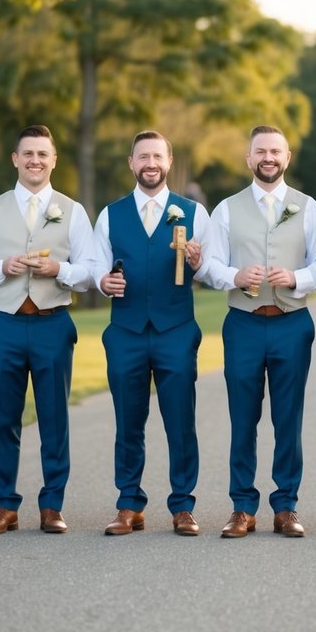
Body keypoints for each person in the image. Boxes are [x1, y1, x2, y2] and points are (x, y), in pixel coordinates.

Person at [0, 125, 97, 534]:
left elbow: (91, 273)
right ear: (15, 159)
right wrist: (1, 267)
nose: (35, 160)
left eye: (43, 154)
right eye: (28, 154)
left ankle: (52, 505)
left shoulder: (72, 211)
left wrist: (60, 270)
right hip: (3, 323)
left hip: (52, 323)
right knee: (3, 418)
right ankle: (5, 505)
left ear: (53, 160)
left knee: (54, 417)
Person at [203, 126, 316, 538]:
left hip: (292, 324)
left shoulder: (308, 207)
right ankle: (242, 506)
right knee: (243, 418)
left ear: (287, 157)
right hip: (242, 323)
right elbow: (208, 265)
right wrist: (235, 275)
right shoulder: (225, 209)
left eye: (275, 151)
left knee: (287, 417)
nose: (268, 158)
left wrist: (296, 277)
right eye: (261, 151)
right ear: (249, 158)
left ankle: (286, 506)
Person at [93, 130, 210, 537]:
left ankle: (182, 505)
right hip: (125, 330)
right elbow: (96, 265)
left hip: (176, 329)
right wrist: (103, 281)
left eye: (157, 156)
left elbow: (213, 270)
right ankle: (129, 504)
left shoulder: (193, 213)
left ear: (169, 161)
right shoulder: (111, 214)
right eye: (143, 157)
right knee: (128, 421)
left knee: (180, 420)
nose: (150, 164)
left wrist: (197, 262)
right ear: (131, 163)